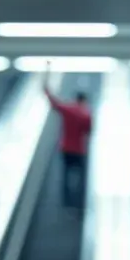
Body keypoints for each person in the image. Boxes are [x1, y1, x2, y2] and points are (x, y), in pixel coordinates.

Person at [43, 76, 93, 209]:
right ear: (84, 100)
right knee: (81, 175)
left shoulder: (69, 109)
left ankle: (66, 200)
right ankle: (80, 200)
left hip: (66, 148)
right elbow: (89, 131)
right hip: (79, 150)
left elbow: (54, 104)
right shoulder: (86, 114)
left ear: (76, 99)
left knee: (66, 174)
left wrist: (46, 87)